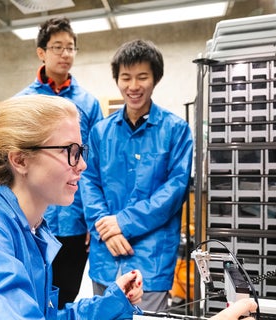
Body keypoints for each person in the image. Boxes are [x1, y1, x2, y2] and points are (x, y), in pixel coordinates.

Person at [0, 94, 143, 319]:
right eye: (69, 152)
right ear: (20, 160)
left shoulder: (29, 229)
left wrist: (113, 304)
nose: (82, 165)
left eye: (81, 151)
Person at [80, 39, 194, 313]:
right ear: (117, 79)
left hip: (150, 259)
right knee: (103, 316)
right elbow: (88, 182)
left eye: (142, 77)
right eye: (126, 77)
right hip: (105, 254)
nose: (133, 86)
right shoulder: (100, 132)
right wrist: (106, 230)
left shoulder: (176, 130)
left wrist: (122, 222)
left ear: (155, 79)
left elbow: (175, 190)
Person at [16, 16, 103, 308]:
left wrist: (91, 218)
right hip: (30, 218)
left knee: (66, 295)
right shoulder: (23, 101)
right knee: (28, 293)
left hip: (73, 220)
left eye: (70, 47)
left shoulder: (88, 104)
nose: (65, 54)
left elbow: (93, 164)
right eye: (57, 47)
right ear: (41, 52)